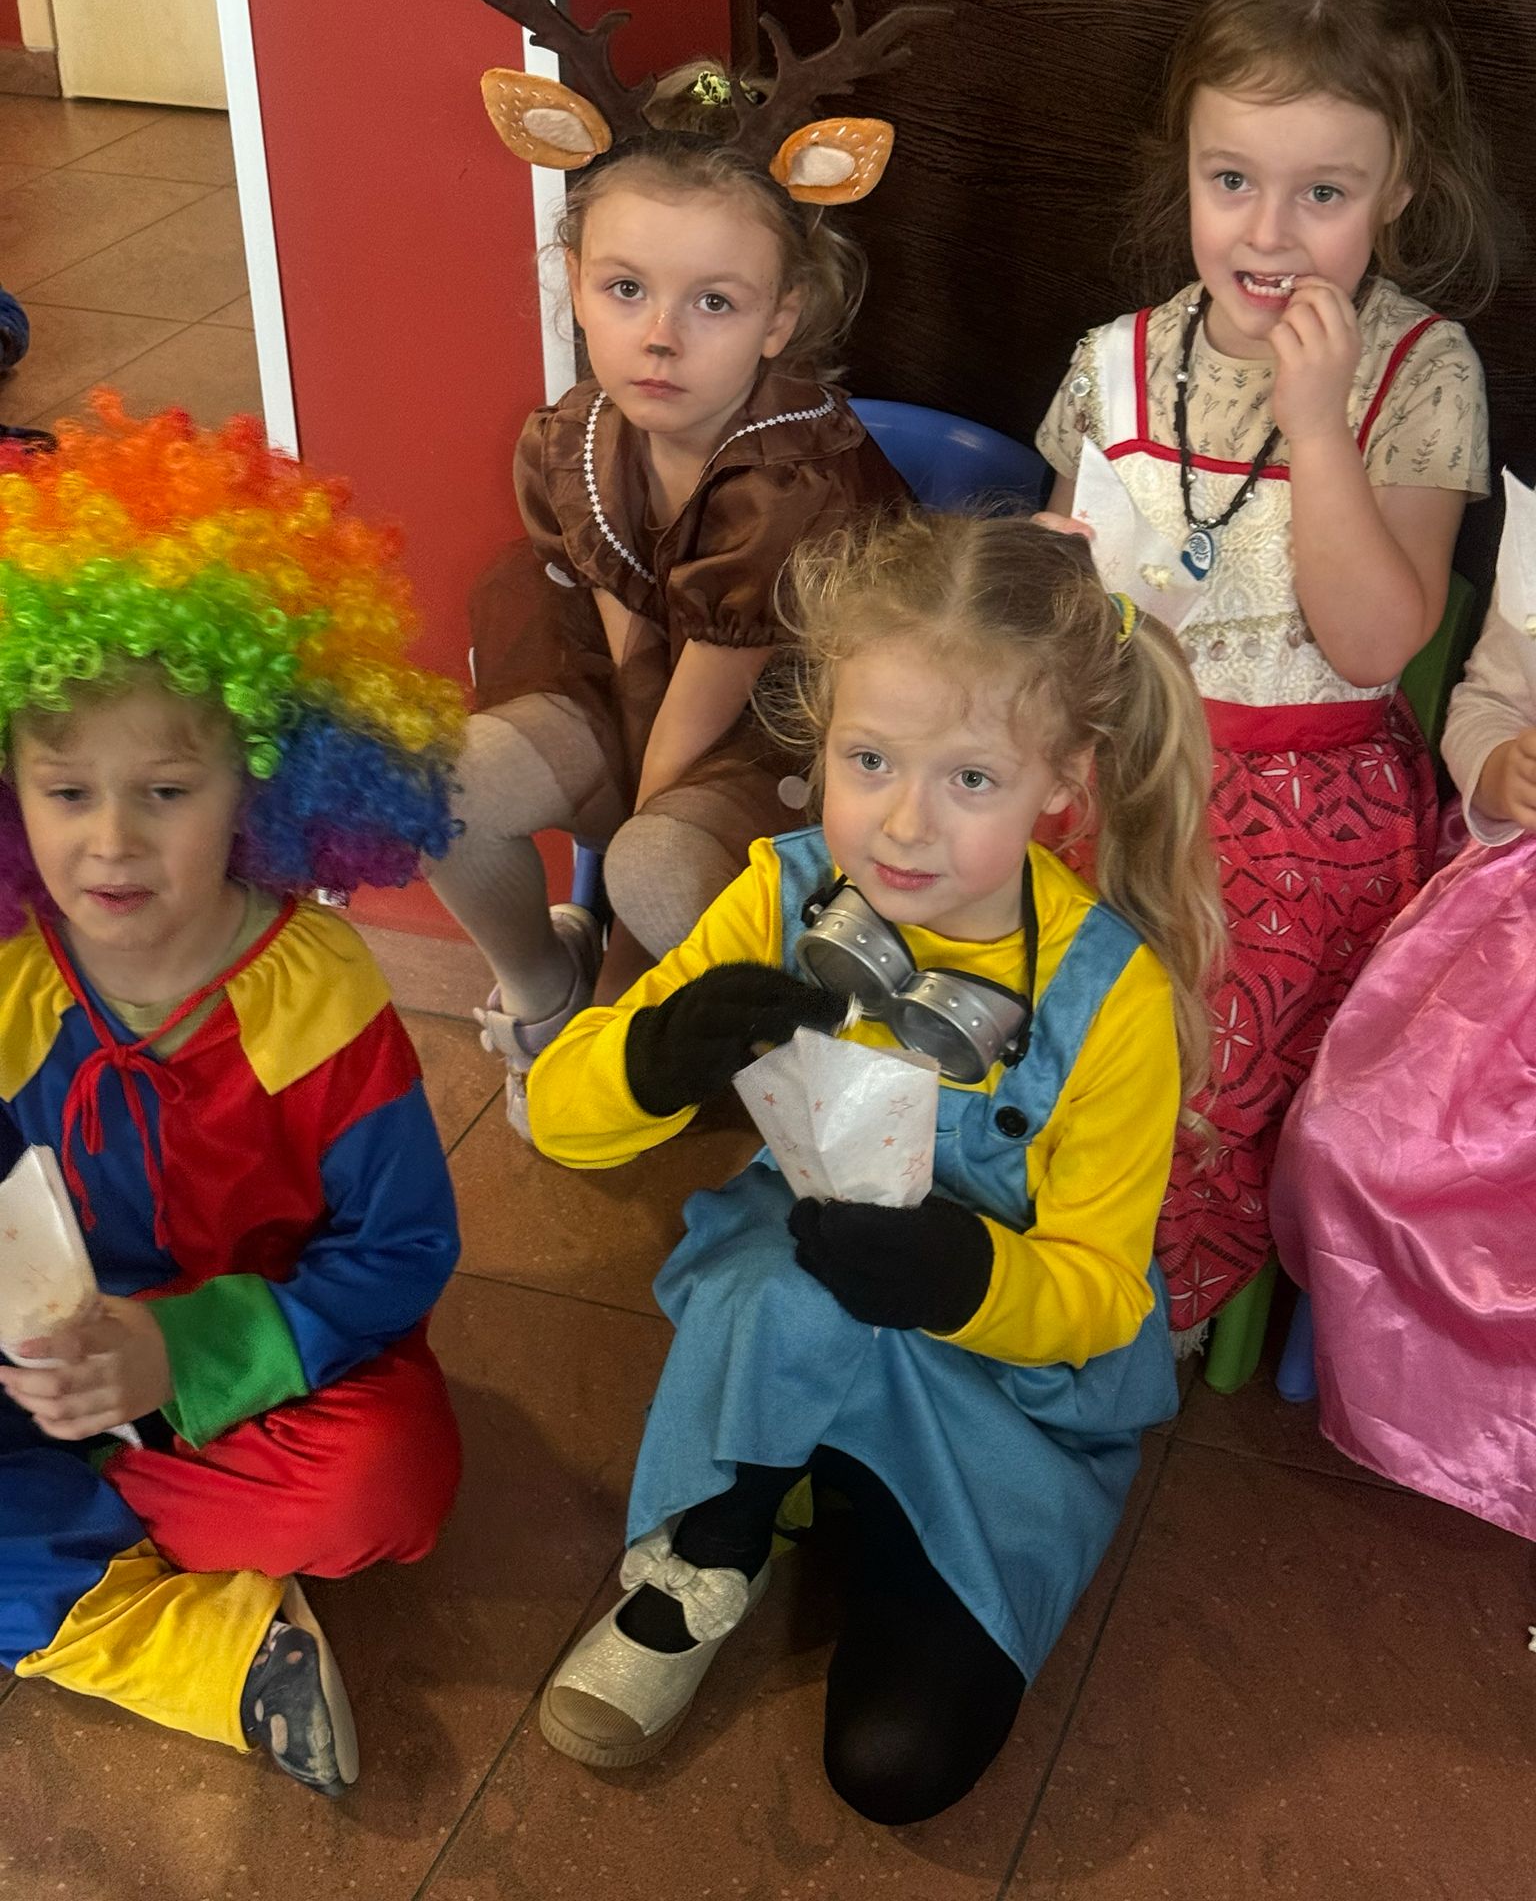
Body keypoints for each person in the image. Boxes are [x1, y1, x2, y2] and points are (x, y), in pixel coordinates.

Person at [523, 506, 1224, 1822]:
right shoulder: (778, 894)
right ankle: (716, 1541)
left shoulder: (1110, 998)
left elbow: (1095, 1295)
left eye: (971, 780)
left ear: (1062, 781)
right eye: (869, 760)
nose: (903, 825)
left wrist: (965, 1278)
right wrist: (651, 1059)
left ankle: (851, 1482)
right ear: (823, 740)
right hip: (796, 1304)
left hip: (995, 1383)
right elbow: (558, 1121)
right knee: (781, 1282)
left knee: (893, 1766)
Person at [0, 399, 466, 1796]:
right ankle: (193, 1639)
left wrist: (181, 1354)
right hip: (51, 1368)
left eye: (165, 790)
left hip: (267, 1377)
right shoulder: (13, 978)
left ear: (259, 778)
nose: (111, 841)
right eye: (65, 790)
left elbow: (400, 1254)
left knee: (391, 1479)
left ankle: (74, 1542)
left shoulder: (315, 992)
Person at [1035, 0, 1497, 1337]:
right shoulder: (1113, 358)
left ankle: (1137, 1305)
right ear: (1184, 166)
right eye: (1230, 180)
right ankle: (1012, 1245)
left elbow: (1373, 645)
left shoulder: (1420, 370)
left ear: (1400, 191)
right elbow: (1056, 609)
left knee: (1189, 1043)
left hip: (1310, 803)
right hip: (1112, 763)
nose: (1268, 235)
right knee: (994, 969)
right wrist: (1049, 588)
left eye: (1325, 194)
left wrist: (1316, 426)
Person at [429, 0, 918, 1129]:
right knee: (436, 791)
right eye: (626, 288)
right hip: (648, 689)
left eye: (714, 302)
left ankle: (747, 1056)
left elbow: (690, 726)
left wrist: (624, 938)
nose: (660, 336)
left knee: (655, 864)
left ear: (779, 317)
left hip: (796, 728)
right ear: (574, 278)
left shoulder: (790, 476)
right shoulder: (577, 433)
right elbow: (625, 637)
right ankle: (542, 990)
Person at [1270, 551, 1536, 1538]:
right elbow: (1489, 700)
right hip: (1516, 938)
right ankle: (1426, 1405)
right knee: (1355, 1143)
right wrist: (1499, 767)